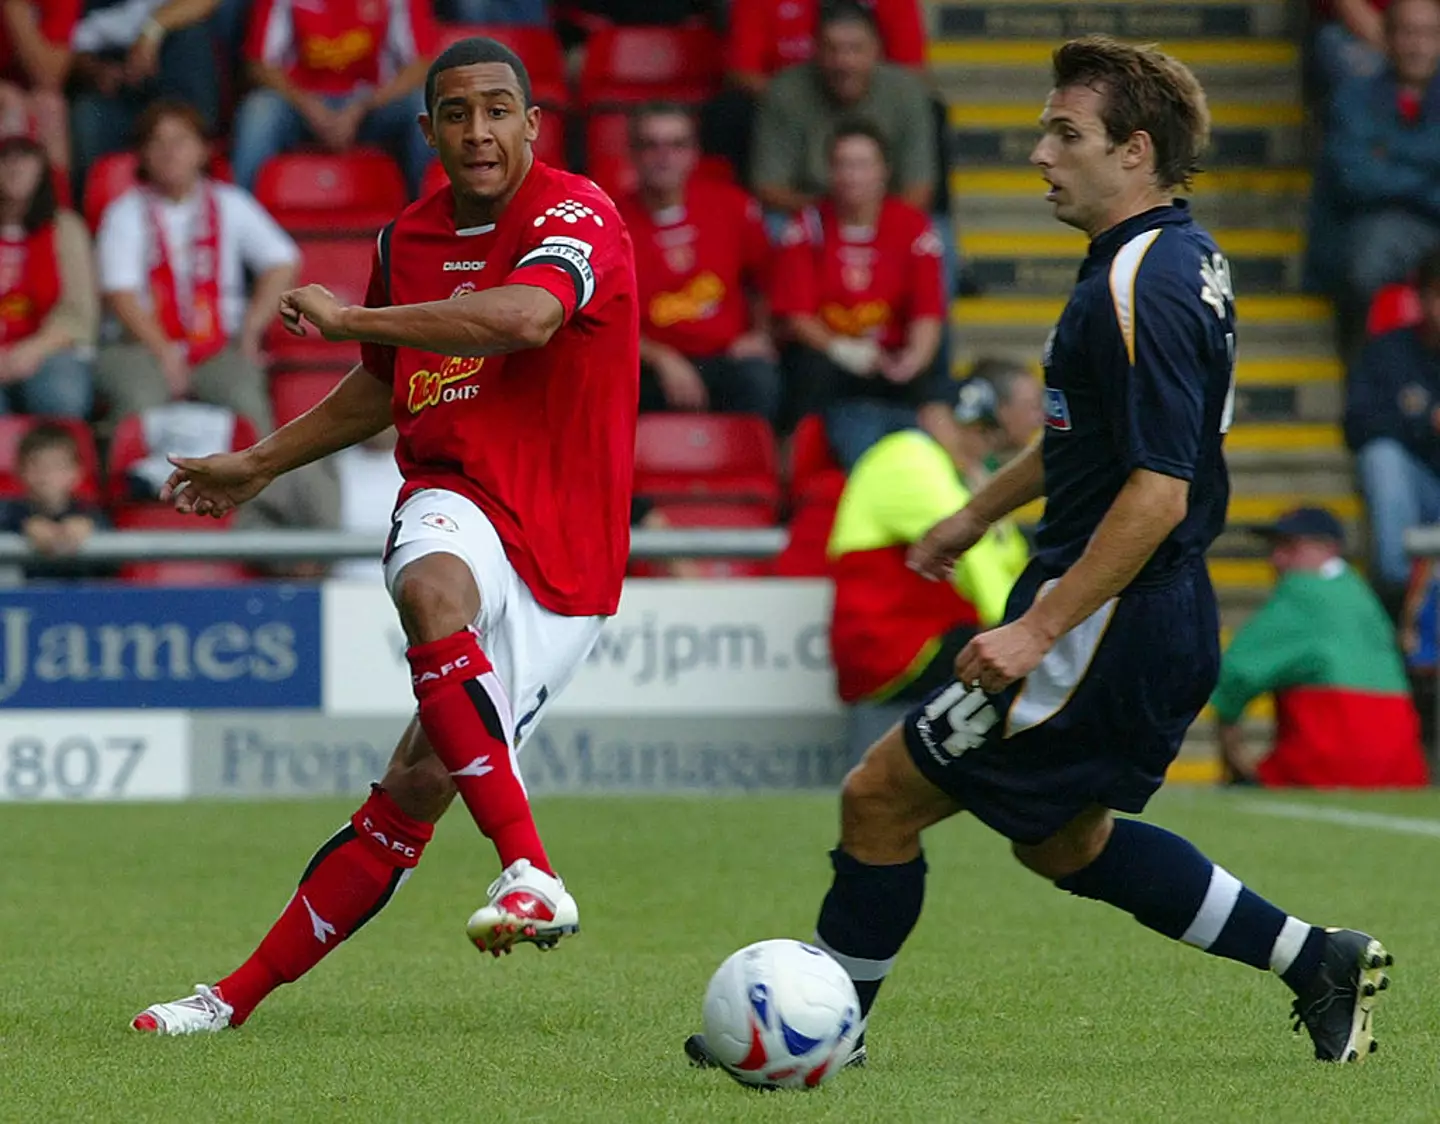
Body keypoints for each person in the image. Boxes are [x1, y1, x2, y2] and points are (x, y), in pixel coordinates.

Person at [685, 34, 1392, 1074]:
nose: (1038, 154)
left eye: (1066, 133)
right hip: (1128, 607)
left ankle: (825, 1036)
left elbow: (1159, 487)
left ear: (1135, 152)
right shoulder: (1166, 255)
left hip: (1104, 615)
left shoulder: (1137, 286)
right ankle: (1314, 957)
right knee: (1063, 838)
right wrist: (977, 512)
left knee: (878, 797)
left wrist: (1035, 628)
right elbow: (1086, 436)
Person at [132, 35, 639, 1035]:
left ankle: (241, 993)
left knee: (414, 783)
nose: (480, 129)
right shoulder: (406, 237)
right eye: (458, 113)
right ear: (429, 130)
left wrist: (368, 317)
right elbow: (381, 385)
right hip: (457, 492)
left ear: (534, 124)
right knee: (428, 585)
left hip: (569, 552)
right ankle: (521, 872)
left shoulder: (578, 213)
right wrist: (261, 461)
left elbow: (527, 318)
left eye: (500, 109)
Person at [827, 403, 1030, 762]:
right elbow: (972, 552)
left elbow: (1008, 558)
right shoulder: (907, 455)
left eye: (987, 434)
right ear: (937, 418)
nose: (977, 444)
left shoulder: (954, 473)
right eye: (968, 428)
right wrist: (1018, 629)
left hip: (924, 636)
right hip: (890, 645)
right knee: (1022, 657)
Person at [94, 100, 298, 433]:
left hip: (219, 344)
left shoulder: (231, 202)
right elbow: (122, 296)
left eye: (180, 141)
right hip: (139, 347)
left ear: (203, 150)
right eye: (157, 142)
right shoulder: (124, 212)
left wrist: (252, 327)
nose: (169, 152)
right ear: (142, 154)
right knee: (139, 402)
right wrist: (165, 353)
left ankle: (263, 485)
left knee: (246, 400)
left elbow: (282, 261)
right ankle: (130, 484)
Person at [771, 120, 949, 467]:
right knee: (804, 372)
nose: (852, 175)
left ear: (884, 171)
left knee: (932, 382)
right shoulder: (808, 226)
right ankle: (789, 477)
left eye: (863, 164)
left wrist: (915, 358)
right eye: (843, 164)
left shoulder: (914, 228)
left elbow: (927, 314)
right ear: (830, 171)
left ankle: (958, 484)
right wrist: (842, 349)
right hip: (830, 356)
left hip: (890, 357)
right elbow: (797, 316)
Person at [1212, 507, 1428, 789]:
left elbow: (1234, 674)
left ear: (1328, 548)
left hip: (1327, 760)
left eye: (1289, 548)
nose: (1276, 559)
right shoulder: (1360, 592)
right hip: (1402, 765)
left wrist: (1233, 749)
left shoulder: (1300, 591)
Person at [618, 102, 779, 422]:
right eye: (651, 145)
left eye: (677, 145)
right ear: (633, 154)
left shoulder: (732, 206)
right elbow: (601, 321)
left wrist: (760, 334)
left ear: (694, 153)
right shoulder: (609, 221)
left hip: (725, 357)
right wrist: (662, 359)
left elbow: (766, 282)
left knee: (760, 377)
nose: (664, 157)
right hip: (648, 363)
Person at [704, 0, 924, 187]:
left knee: (931, 109)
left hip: (872, 104)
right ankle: (738, 215)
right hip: (786, 108)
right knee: (730, 111)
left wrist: (856, 91)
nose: (844, 58)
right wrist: (793, 98)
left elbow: (913, 72)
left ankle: (927, 225)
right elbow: (741, 73)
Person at [231, 0, 439, 197]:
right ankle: (239, 222)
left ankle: (428, 221)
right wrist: (309, 106)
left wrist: (363, 105)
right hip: (300, 105)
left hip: (373, 104)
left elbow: (420, 65)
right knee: (258, 111)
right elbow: (259, 65)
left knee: (424, 108)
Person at [751, 0, 935, 222]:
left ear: (876, 50)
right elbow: (768, 188)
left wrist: (866, 221)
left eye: (856, 49)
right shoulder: (784, 91)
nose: (844, 61)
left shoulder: (907, 92)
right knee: (773, 225)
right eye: (832, 49)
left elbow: (918, 191)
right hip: (809, 213)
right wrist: (838, 216)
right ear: (816, 49)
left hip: (885, 214)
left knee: (936, 235)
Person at [1319, 0, 1440, 323]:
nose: (1418, 46)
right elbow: (1358, 178)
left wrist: (1393, 159)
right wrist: (1431, 178)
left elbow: (1378, 174)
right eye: (1408, 33)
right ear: (1387, 38)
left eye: (1429, 34)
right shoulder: (1353, 99)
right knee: (1369, 257)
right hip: (1381, 227)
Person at [1344, 244, 1440, 612]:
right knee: (1381, 457)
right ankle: (1395, 593)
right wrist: (1426, 421)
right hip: (1417, 491)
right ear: (1421, 297)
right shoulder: (1389, 352)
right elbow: (1358, 425)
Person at [67, 0, 222, 203]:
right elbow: (72, 49)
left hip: (176, 84)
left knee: (191, 37)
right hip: (120, 91)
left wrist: (152, 30)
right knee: (87, 113)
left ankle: (195, 200)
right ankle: (97, 206)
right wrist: (97, 71)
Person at [0, 133, 97, 418]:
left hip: (51, 348)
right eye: (6, 158)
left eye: (25, 158)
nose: (15, 167)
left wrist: (32, 349)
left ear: (42, 168)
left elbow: (80, 313)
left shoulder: (66, 229)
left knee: (61, 396)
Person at [0, 422, 105, 580]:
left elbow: (115, 561)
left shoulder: (88, 512)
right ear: (20, 470)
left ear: (76, 473)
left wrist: (90, 527)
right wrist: (23, 525)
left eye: (57, 466)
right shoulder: (9, 510)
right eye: (36, 466)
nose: (46, 476)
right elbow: (6, 519)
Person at [0, 0, 79, 187]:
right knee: (9, 105)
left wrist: (14, 8)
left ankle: (56, 209)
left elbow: (49, 76)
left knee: (49, 106)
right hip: (9, 96)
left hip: (25, 94)